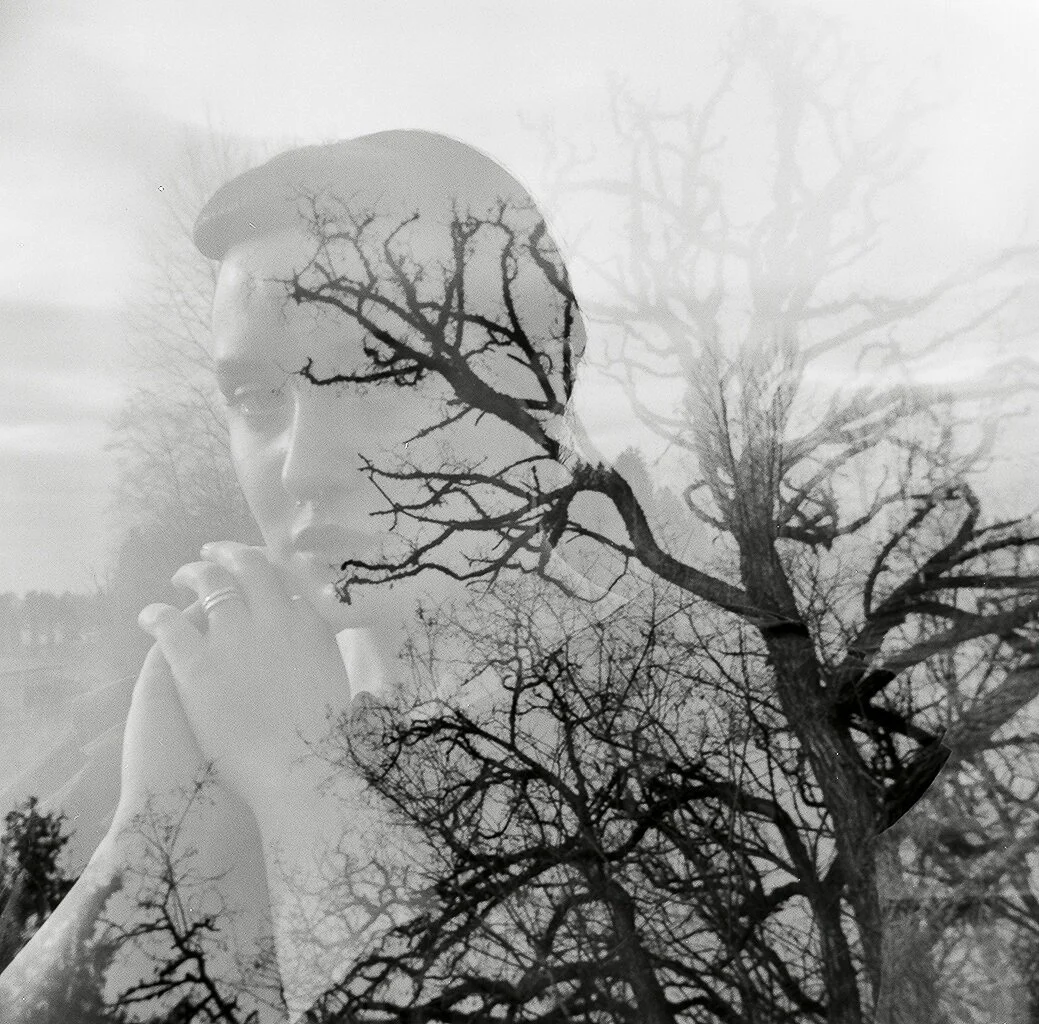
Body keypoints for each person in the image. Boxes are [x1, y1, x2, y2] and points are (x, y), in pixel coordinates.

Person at [0, 130, 595, 1022]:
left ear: (541, 387)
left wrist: (292, 777)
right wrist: (154, 828)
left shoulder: (664, 719)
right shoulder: (240, 689)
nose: (299, 468)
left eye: (383, 377)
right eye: (258, 400)